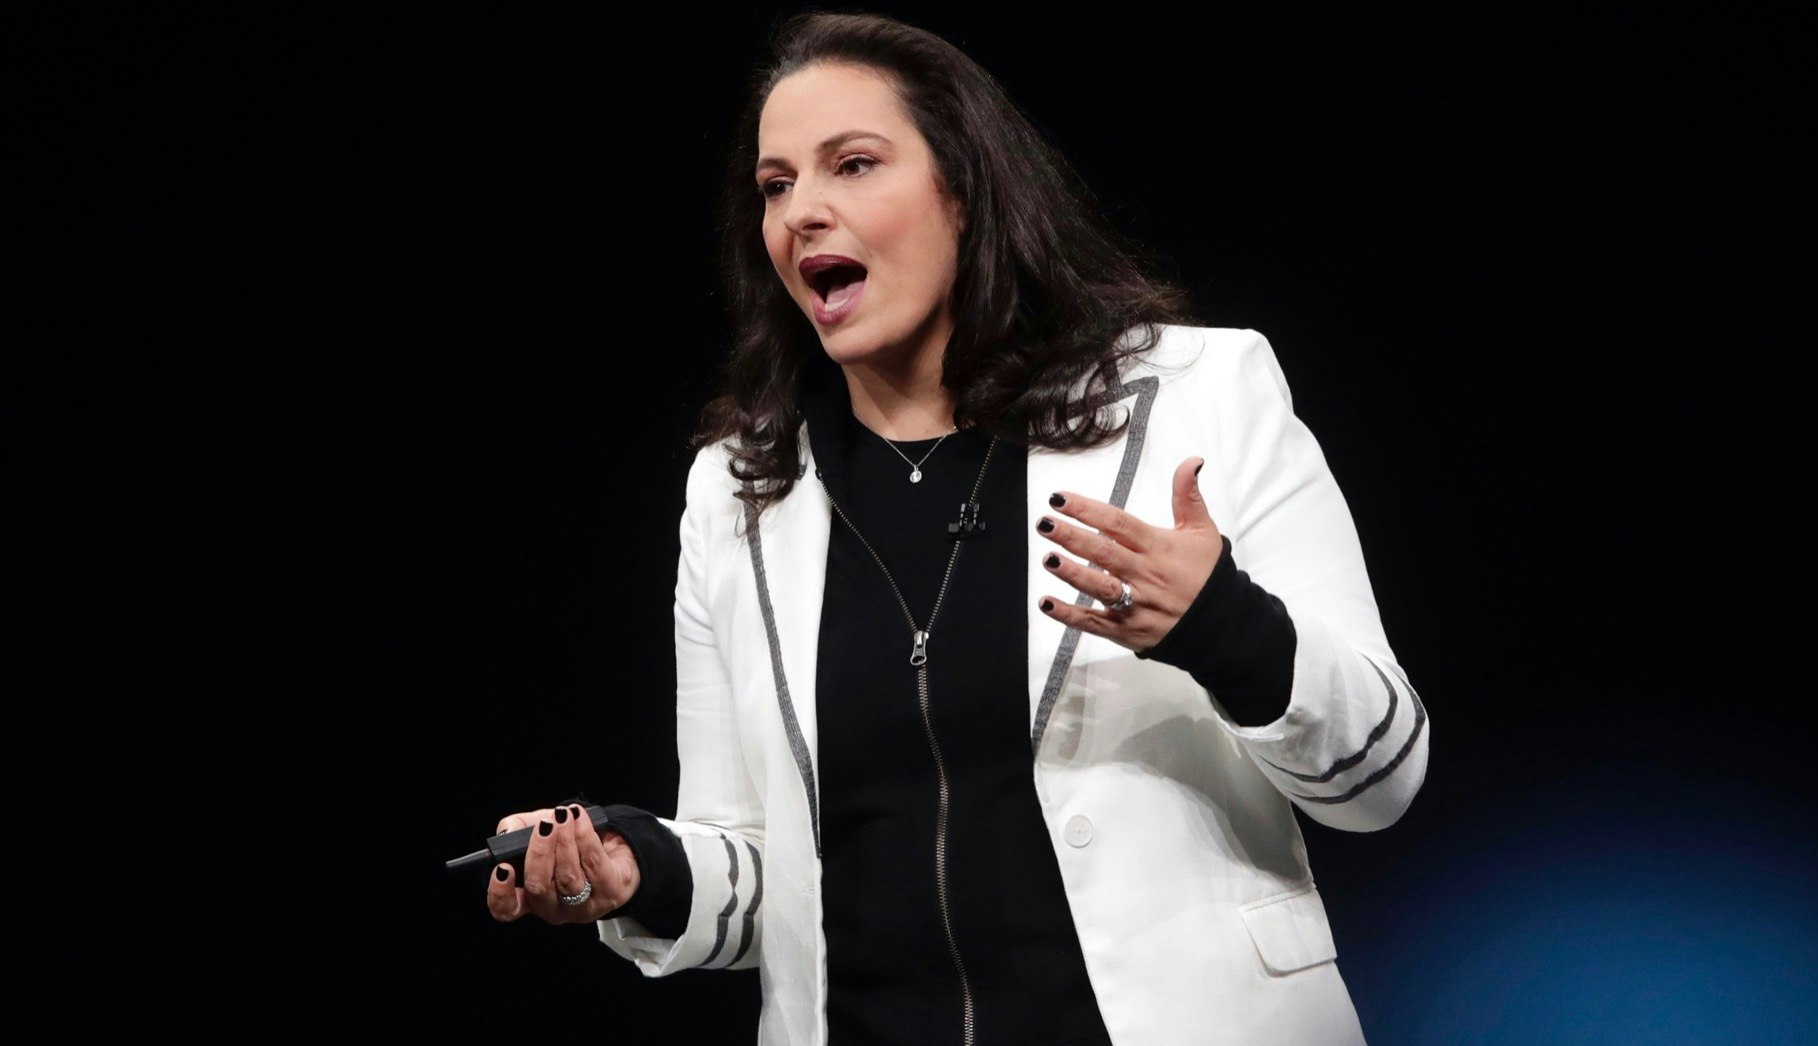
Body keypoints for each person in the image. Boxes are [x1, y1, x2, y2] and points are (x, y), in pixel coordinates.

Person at [483, 12, 1427, 1045]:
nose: (805, 212)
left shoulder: (1200, 396)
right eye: (778, 184)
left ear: (965, 190)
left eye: (853, 164)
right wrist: (637, 868)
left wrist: (1221, 625)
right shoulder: (739, 491)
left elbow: (1381, 772)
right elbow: (765, 875)